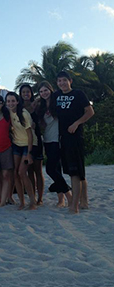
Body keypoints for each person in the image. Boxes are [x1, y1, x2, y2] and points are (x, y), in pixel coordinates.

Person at [53, 71, 94, 214]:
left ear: (70, 81)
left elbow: (90, 112)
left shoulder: (78, 94)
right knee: (75, 171)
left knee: (76, 172)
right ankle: (84, 201)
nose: (62, 83)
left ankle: (75, 205)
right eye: (59, 81)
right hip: (63, 137)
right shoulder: (56, 96)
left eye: (64, 80)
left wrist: (76, 123)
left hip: (75, 136)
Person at [37, 81, 72, 207]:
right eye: (41, 91)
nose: (44, 93)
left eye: (46, 90)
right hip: (47, 139)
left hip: (57, 139)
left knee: (50, 169)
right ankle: (60, 200)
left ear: (50, 90)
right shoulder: (40, 107)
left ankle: (69, 195)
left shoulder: (57, 102)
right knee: (56, 169)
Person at [6, 92, 36, 210]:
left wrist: (29, 153)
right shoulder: (8, 112)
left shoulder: (23, 113)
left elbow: (30, 134)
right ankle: (22, 202)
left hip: (27, 144)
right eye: (8, 101)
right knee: (15, 174)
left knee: (22, 173)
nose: (11, 103)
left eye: (13, 101)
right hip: (16, 144)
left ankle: (32, 201)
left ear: (17, 101)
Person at [19, 84, 44, 205]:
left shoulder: (37, 105)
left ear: (31, 93)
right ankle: (32, 196)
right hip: (24, 141)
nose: (26, 94)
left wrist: (37, 124)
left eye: (28, 92)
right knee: (29, 171)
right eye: (23, 92)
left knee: (38, 170)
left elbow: (43, 120)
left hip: (37, 139)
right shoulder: (19, 108)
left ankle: (40, 198)